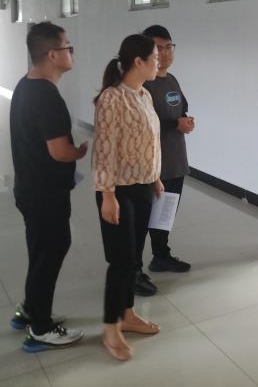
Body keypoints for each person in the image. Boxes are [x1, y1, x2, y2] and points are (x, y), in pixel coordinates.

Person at [10, 21, 87, 352]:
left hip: (29, 189)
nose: (72, 52)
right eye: (68, 47)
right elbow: (59, 152)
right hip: (45, 193)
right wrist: (79, 152)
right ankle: (40, 328)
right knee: (52, 250)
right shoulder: (47, 96)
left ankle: (30, 309)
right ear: (52, 55)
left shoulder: (26, 85)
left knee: (40, 251)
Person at [92, 34, 163, 361]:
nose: (159, 62)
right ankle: (111, 327)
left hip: (142, 186)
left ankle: (127, 314)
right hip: (118, 190)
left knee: (133, 258)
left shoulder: (144, 94)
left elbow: (150, 140)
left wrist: (155, 176)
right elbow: (104, 150)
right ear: (138, 62)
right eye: (155, 57)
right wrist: (107, 195)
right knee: (120, 261)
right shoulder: (112, 98)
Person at [139, 25, 194, 289]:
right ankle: (133, 269)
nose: (165, 53)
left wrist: (186, 120)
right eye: (158, 48)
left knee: (165, 213)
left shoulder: (171, 80)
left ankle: (161, 256)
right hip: (152, 164)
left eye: (169, 46)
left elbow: (181, 108)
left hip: (175, 159)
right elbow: (141, 123)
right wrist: (175, 124)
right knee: (144, 216)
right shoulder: (142, 84)